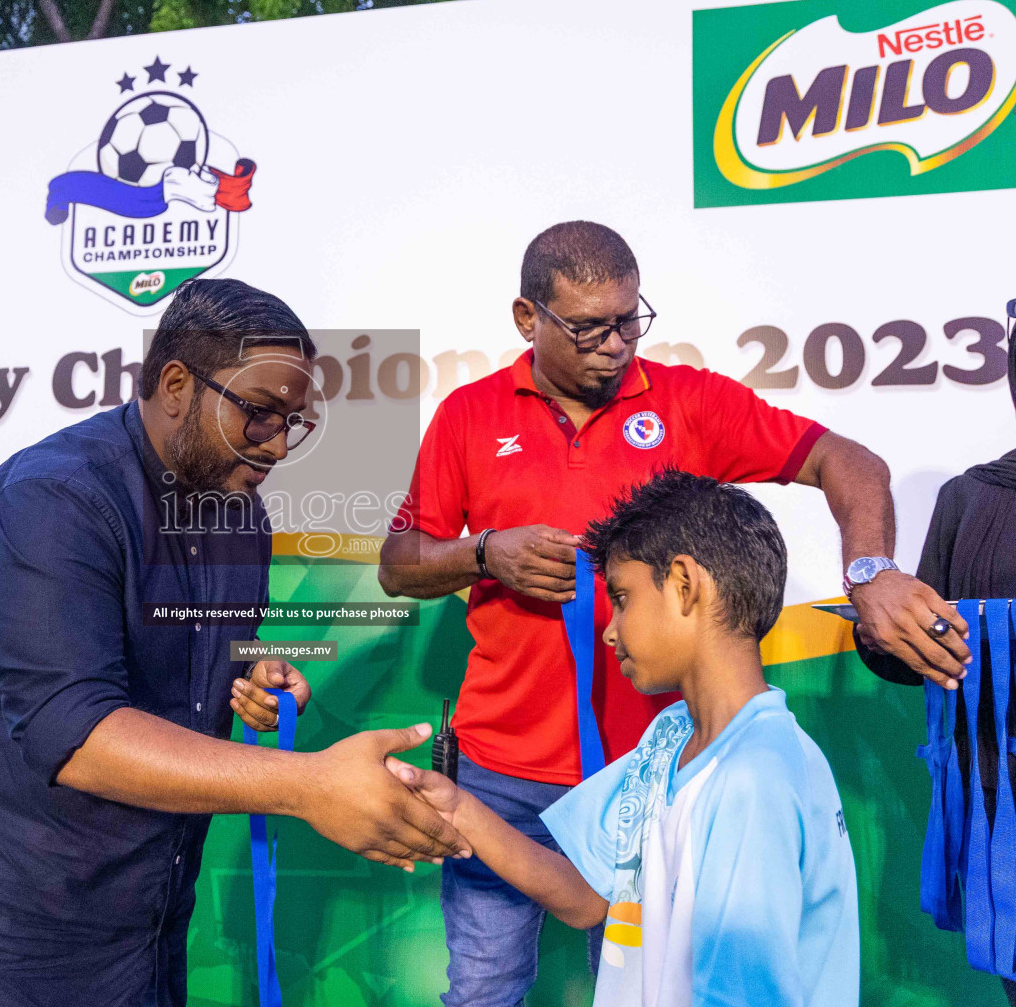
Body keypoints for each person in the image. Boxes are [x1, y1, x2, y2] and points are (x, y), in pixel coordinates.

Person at [377, 219, 964, 1004]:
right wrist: (485, 553)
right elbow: (398, 563)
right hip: (500, 770)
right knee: (481, 991)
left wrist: (870, 571)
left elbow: (848, 460)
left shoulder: (687, 400)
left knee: (638, 983)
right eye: (589, 327)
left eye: (629, 319)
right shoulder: (468, 416)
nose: (616, 345)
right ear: (528, 319)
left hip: (646, 770)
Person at [0, 278, 470, 1007]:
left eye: (294, 422)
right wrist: (309, 787)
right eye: (260, 414)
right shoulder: (53, 498)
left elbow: (180, 675)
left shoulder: (242, 520)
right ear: (176, 384)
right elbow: (76, 734)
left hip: (134, 957)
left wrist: (250, 676)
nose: (278, 444)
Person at [388, 470, 860, 1007]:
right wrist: (456, 808)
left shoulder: (753, 780)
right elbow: (590, 896)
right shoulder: (670, 734)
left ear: (685, 585)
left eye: (623, 598)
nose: (610, 629)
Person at [857, 294, 1016, 1007]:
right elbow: (913, 652)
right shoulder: (970, 498)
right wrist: (883, 620)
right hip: (1014, 822)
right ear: (1014, 378)